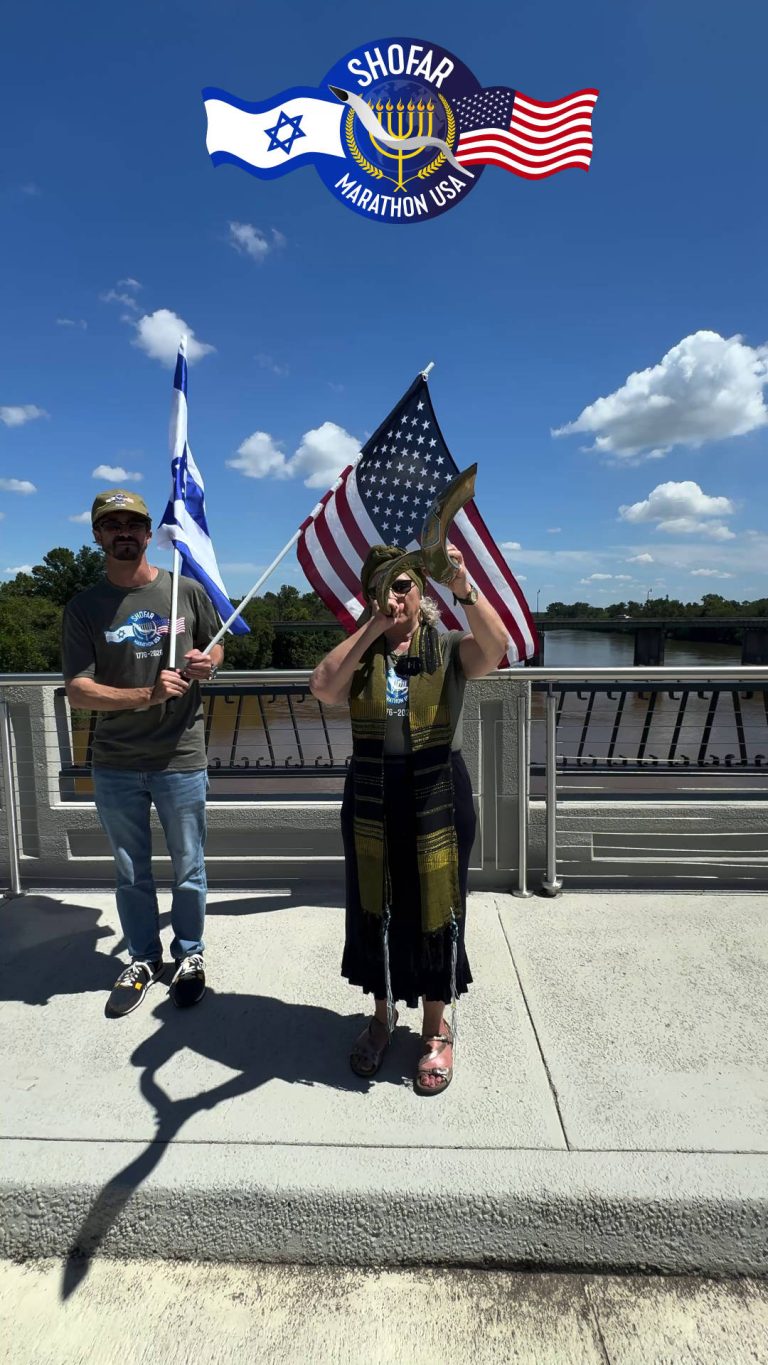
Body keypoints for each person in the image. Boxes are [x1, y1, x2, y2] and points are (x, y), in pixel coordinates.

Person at [310, 544, 509, 1095]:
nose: (396, 597)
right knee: (374, 904)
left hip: (438, 790)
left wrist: (463, 584)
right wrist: (372, 626)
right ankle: (381, 1016)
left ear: (423, 593)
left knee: (437, 907)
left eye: (404, 586)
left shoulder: (446, 647)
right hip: (374, 793)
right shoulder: (364, 654)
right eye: (384, 587)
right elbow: (323, 686)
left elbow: (496, 651)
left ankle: (434, 1028)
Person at [61, 488, 224, 1017]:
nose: (123, 532)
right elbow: (79, 689)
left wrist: (208, 662)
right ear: (97, 536)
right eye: (112, 525)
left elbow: (217, 642)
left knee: (189, 867)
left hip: (181, 756)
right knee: (130, 871)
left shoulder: (186, 590)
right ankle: (142, 959)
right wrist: (146, 695)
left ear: (150, 533)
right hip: (113, 762)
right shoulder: (84, 608)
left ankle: (190, 955)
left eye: (133, 523)